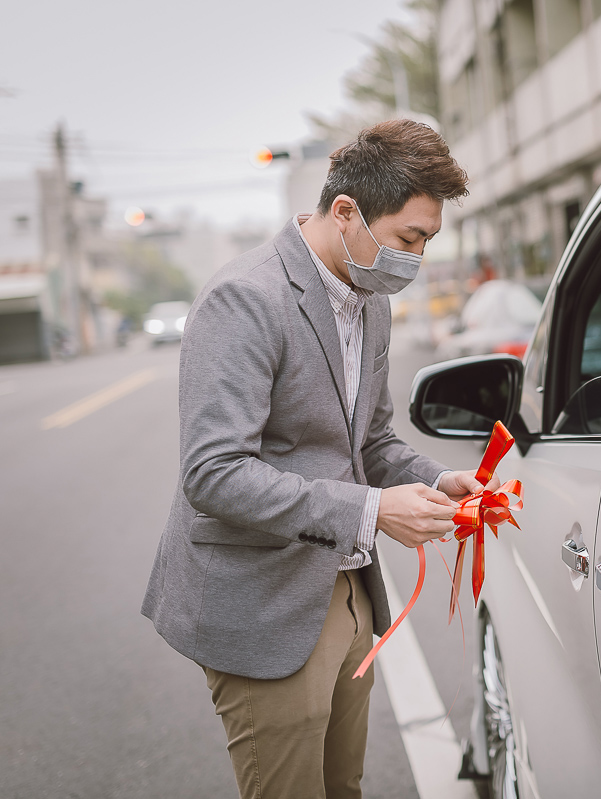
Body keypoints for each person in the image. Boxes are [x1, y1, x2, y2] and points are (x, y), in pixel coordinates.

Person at [142, 119, 494, 799]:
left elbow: (372, 441)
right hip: (264, 602)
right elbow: (214, 473)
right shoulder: (246, 298)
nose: (415, 259)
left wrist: (434, 479)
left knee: (343, 787)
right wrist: (372, 508)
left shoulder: (371, 303)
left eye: (427, 241)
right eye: (409, 238)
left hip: (348, 589)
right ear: (345, 212)